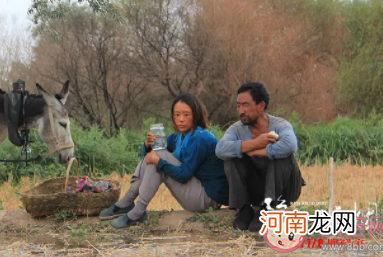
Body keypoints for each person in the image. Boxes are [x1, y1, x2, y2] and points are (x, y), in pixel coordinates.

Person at [99, 93, 229, 228]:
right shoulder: (179, 136)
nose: (181, 119)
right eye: (177, 114)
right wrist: (148, 145)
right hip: (196, 190)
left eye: (186, 114)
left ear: (196, 115)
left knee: (159, 156)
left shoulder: (200, 138)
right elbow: (153, 154)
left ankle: (137, 211)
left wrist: (159, 161)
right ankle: (127, 202)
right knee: (157, 153)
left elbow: (184, 175)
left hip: (207, 198)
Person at [215, 82, 303, 232]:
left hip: (285, 191)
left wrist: (258, 151)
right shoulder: (236, 129)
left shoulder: (280, 125)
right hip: (256, 189)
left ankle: (267, 209)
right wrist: (255, 143)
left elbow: (290, 145)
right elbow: (220, 149)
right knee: (231, 156)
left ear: (261, 106)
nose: (241, 110)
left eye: (246, 105)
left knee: (282, 155)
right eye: (238, 106)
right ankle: (244, 209)